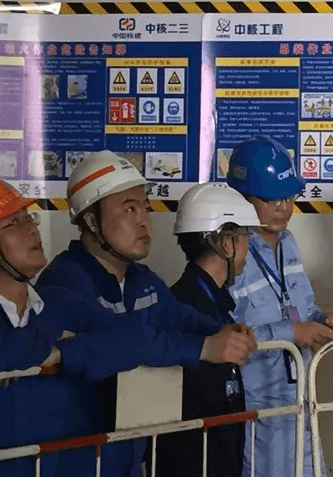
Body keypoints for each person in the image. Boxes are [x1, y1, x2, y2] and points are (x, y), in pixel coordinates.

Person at [0, 173, 194, 477]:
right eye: (13, 224)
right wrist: (58, 337)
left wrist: (64, 352)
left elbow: (133, 338)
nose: (31, 230)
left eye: (29, 218)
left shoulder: (60, 302)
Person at [38, 151, 255, 475]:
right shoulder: (66, 280)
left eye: (145, 207)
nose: (143, 221)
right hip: (76, 457)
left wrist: (221, 330)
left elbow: (178, 316)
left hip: (127, 454)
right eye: (129, 209)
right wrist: (204, 348)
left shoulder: (141, 280)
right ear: (91, 221)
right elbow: (126, 340)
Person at [224, 135, 333, 477]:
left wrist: (325, 321)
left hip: (302, 401)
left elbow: (301, 310)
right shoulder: (228, 251)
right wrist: (292, 331)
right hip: (257, 412)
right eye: (271, 199)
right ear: (241, 197)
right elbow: (224, 335)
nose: (283, 208)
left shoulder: (288, 243)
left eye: (289, 197)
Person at [156, 183, 264, 477]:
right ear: (227, 243)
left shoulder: (207, 303)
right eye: (245, 237)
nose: (248, 248)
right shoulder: (187, 307)